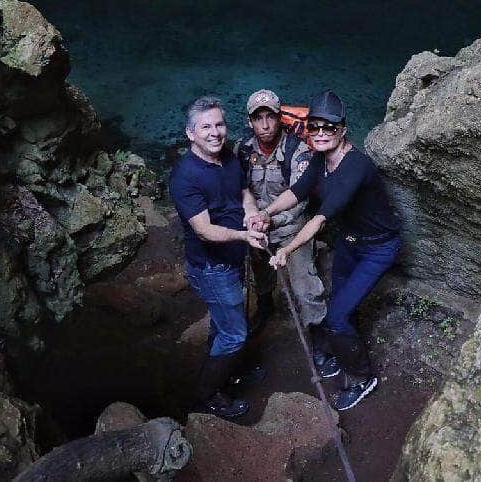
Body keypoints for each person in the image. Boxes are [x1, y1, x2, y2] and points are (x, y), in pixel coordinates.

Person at [252, 90, 401, 411]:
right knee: (340, 305)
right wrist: (266, 213)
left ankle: (362, 378)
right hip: (350, 241)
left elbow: (319, 220)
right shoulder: (320, 160)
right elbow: (296, 191)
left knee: (335, 318)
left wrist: (286, 250)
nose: (320, 134)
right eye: (314, 127)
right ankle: (346, 341)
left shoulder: (355, 166)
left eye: (328, 128)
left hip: (377, 248)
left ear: (343, 130)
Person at [169, 96, 268, 419]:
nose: (215, 133)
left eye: (219, 124)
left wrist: (252, 215)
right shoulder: (185, 177)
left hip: (232, 259)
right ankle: (208, 394)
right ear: (190, 134)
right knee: (234, 333)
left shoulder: (229, 157)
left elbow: (243, 194)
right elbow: (204, 230)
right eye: (206, 127)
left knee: (224, 324)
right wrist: (244, 235)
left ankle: (228, 372)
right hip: (212, 267)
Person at [234, 90, 328, 346]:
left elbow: (301, 199)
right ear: (249, 121)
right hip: (258, 227)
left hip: (292, 229)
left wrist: (272, 220)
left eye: (270, 117)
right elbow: (240, 189)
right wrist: (251, 217)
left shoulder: (297, 151)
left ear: (280, 118)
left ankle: (319, 335)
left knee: (304, 286)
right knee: (259, 274)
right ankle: (265, 306)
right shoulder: (242, 150)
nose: (264, 125)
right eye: (258, 118)